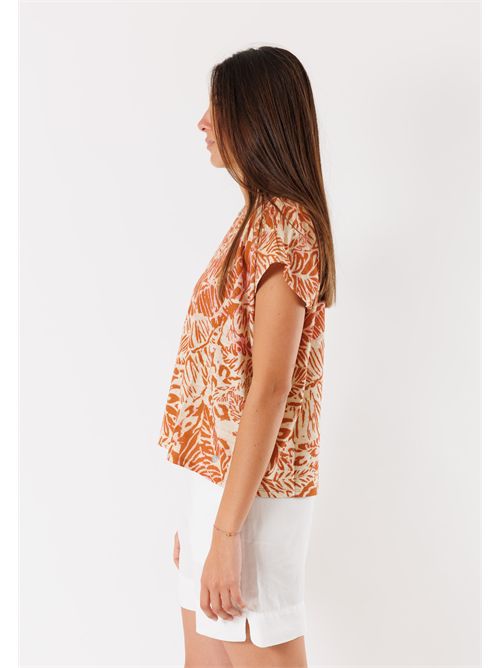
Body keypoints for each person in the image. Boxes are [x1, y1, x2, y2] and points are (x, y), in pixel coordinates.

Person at [158, 45, 336, 667]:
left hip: (250, 500)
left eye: (217, 108)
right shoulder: (253, 219)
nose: (203, 123)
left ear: (254, 117)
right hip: (217, 487)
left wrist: (226, 533)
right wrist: (198, 519)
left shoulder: (285, 226)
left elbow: (270, 387)